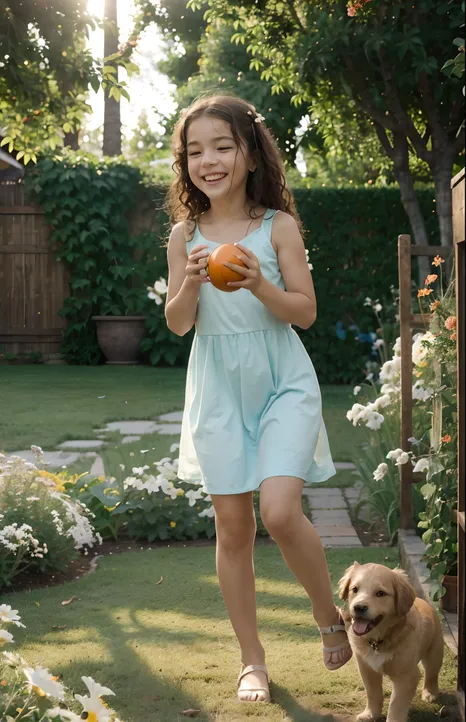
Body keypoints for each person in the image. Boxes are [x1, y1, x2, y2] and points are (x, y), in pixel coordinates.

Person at [165, 94, 352, 704]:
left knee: (277, 509)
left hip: (282, 382)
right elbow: (177, 323)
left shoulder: (278, 226)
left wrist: (258, 282)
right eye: (195, 151)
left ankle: (328, 613)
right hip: (217, 387)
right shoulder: (184, 235)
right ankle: (252, 660)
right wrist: (191, 282)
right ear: (184, 163)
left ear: (249, 154)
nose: (208, 160)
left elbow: (304, 311)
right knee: (234, 525)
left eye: (222, 146)